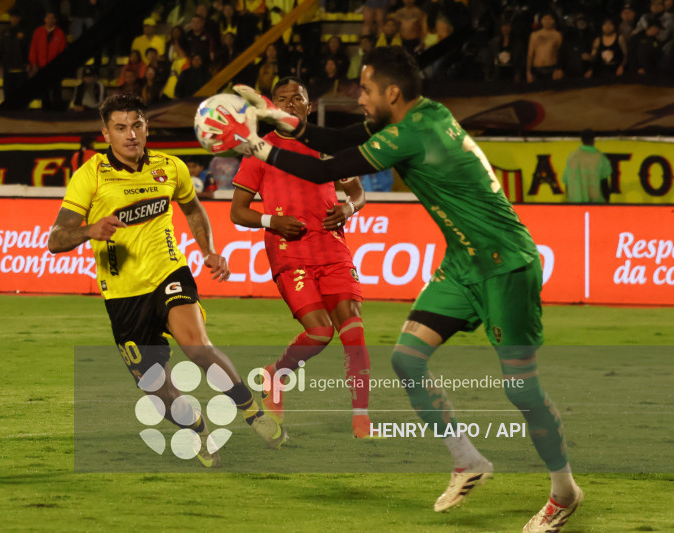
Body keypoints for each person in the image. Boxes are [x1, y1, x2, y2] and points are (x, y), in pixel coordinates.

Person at [213, 47, 583, 533]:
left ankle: (563, 492)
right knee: (407, 359)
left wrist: (255, 145)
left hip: (505, 264)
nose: (359, 99)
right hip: (463, 262)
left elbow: (325, 168)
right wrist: (276, 118)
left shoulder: (411, 135)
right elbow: (335, 138)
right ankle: (467, 460)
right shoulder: (423, 113)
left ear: (391, 93)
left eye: (365, 90)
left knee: (522, 390)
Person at [47, 94, 287, 468]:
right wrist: (89, 230)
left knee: (197, 346)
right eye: (120, 128)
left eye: (137, 125)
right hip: (124, 296)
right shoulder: (90, 176)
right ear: (106, 133)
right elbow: (55, 239)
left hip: (169, 273)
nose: (130, 134)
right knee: (157, 390)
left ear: (147, 127)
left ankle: (252, 412)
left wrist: (208, 251)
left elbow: (193, 208)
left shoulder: (170, 167)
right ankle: (198, 428)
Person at [229, 77, 373, 438]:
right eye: (282, 99)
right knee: (321, 332)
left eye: (297, 98)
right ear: (272, 107)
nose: (290, 104)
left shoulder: (326, 146)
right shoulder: (260, 150)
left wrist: (349, 208)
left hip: (332, 248)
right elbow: (237, 211)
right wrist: (272, 221)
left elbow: (357, 193)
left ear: (309, 106)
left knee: (353, 329)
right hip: (288, 252)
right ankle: (276, 376)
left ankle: (362, 420)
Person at [29, 12, 67, 110]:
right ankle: (45, 108)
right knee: (43, 88)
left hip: (55, 66)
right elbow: (34, 48)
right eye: (48, 18)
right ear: (44, 19)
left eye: (52, 18)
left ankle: (57, 107)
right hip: (42, 65)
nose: (50, 20)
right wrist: (34, 63)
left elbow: (62, 50)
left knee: (56, 87)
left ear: (55, 20)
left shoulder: (60, 33)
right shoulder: (38, 31)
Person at [562, 129, 611, 203]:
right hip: (595, 203)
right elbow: (604, 183)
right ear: (593, 140)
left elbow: (567, 182)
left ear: (582, 140)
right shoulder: (600, 157)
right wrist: (606, 200)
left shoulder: (572, 157)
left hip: (575, 202)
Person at [0, 8, 30, 102]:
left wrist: (28, 62)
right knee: (7, 92)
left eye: (15, 17)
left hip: (21, 68)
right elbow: (1, 47)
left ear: (19, 18)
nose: (13, 19)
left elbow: (28, 48)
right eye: (11, 17)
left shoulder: (25, 32)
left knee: (21, 94)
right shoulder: (5, 32)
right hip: (7, 67)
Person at [526, 12, 564, 82]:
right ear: (541, 21)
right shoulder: (534, 35)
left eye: (550, 19)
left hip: (552, 68)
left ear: (554, 21)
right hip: (537, 68)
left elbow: (561, 53)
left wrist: (559, 69)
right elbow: (530, 54)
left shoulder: (557, 35)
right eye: (545, 19)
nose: (547, 21)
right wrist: (528, 71)